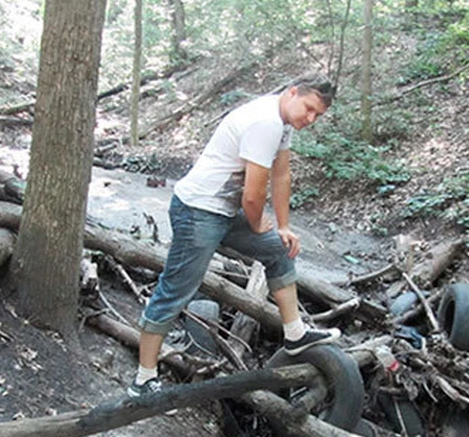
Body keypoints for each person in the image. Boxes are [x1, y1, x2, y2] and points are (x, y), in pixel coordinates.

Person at [129, 76, 341, 397]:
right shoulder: (265, 122)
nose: (310, 119)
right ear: (292, 93)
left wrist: (283, 226)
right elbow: (253, 198)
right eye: (309, 109)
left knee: (279, 249)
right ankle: (143, 378)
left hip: (223, 212)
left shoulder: (282, 122)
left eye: (318, 116)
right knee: (176, 290)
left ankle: (295, 334)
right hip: (198, 211)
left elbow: (281, 174)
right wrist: (256, 225)